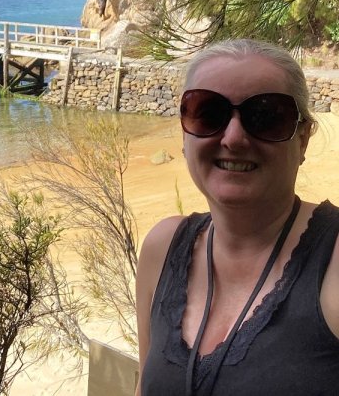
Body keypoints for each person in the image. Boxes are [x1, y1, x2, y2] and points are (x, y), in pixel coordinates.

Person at [136, 39, 339, 396]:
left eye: (266, 117)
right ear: (184, 134)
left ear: (303, 139)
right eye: (208, 114)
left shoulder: (333, 261)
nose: (233, 137)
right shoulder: (162, 247)